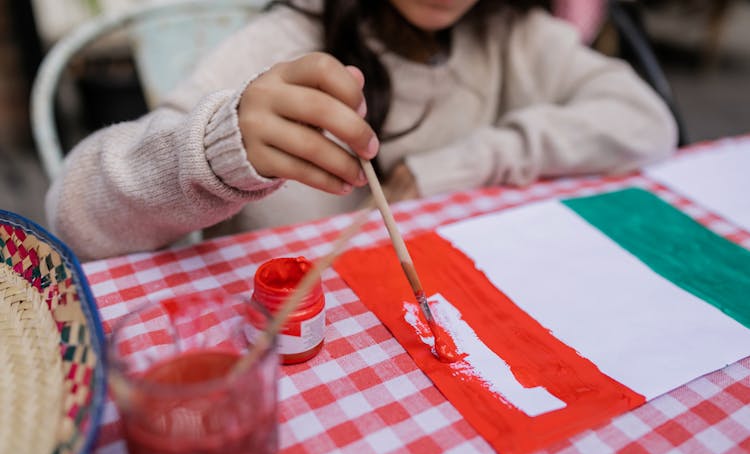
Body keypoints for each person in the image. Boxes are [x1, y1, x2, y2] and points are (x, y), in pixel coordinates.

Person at [46, 0, 677, 261]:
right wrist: (212, 154)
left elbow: (648, 122)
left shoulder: (512, 36)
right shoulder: (288, 42)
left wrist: (475, 158)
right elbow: (74, 217)